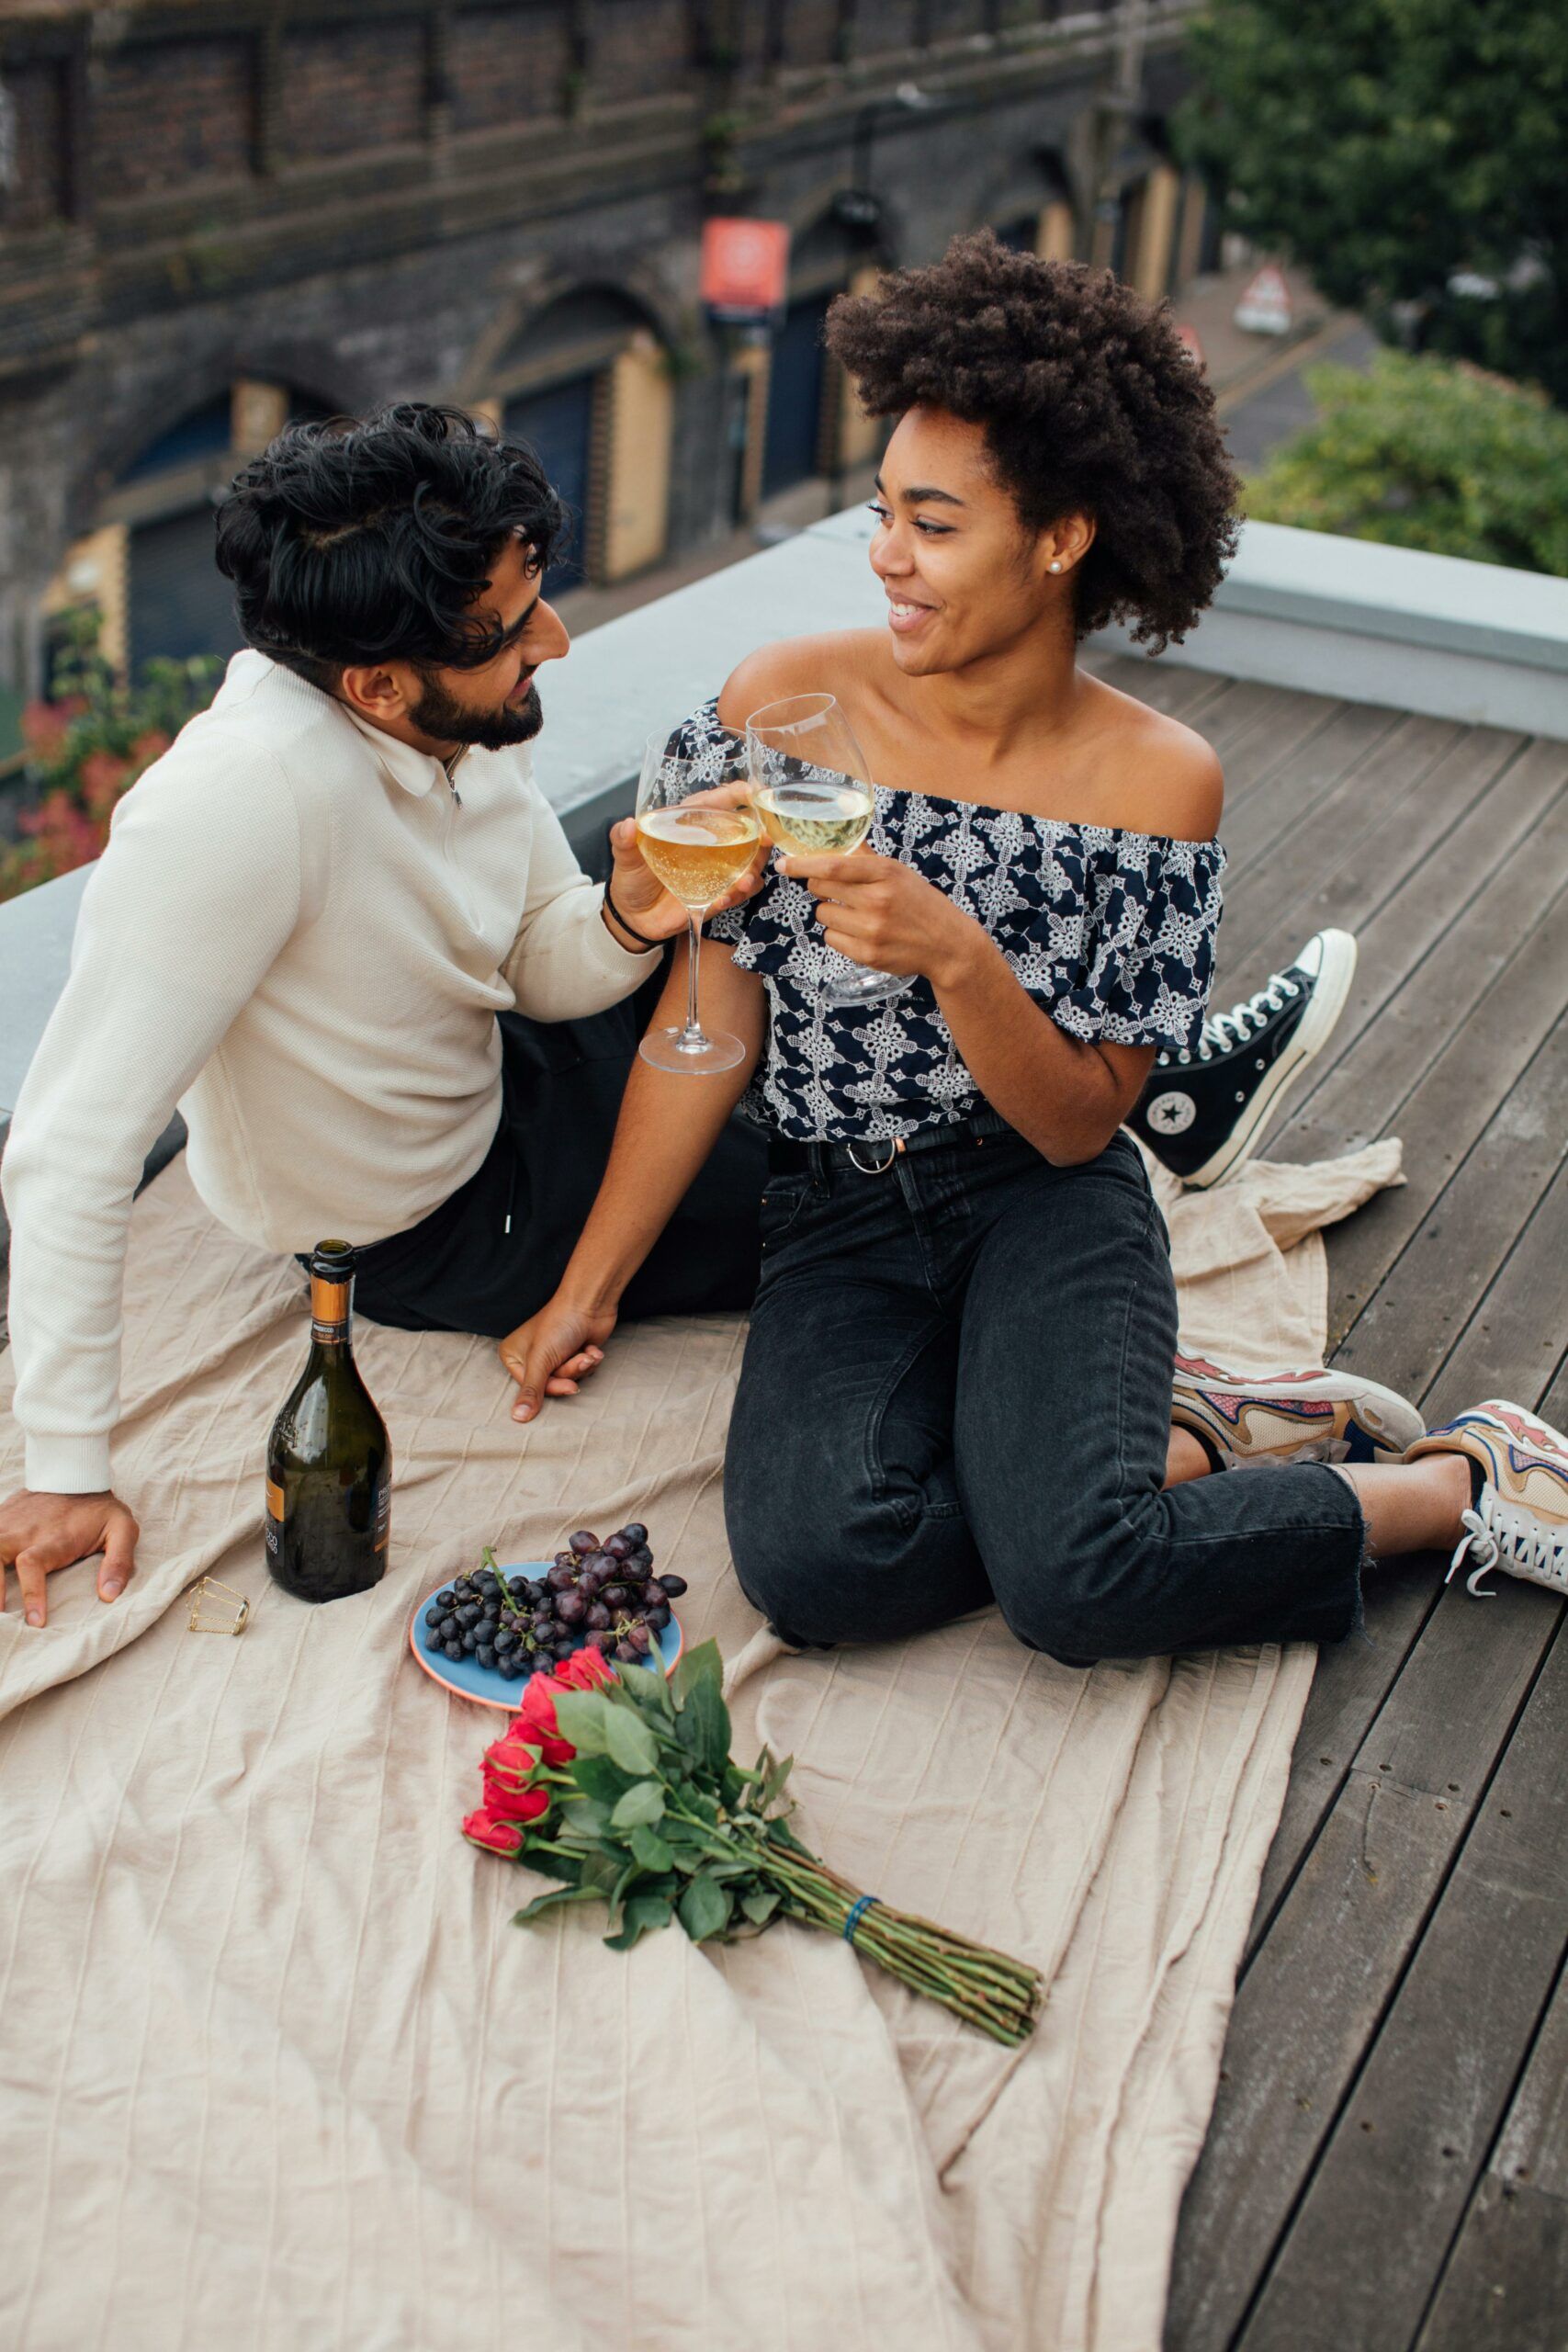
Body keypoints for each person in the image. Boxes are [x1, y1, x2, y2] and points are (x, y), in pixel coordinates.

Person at [504, 235, 1568, 1651]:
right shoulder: (779, 704)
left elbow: (1080, 1130)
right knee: (822, 1571)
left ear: (1060, 537)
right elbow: (712, 1033)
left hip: (1040, 1200)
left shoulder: (1155, 783)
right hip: (834, 1206)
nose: (886, 557)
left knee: (1078, 1588)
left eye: (933, 526)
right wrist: (588, 1290)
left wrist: (957, 955)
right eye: (883, 511)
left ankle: (1452, 1479)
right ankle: (1180, 1439)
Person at [0, 404, 769, 1625]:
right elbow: (68, 1148)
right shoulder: (235, 804)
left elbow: (527, 956)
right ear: (376, 684)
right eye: (517, 630)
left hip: (508, 1058)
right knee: (818, 1198)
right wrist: (63, 1475)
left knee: (773, 984)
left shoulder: (454, 711)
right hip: (440, 1222)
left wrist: (623, 913)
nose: (558, 644)